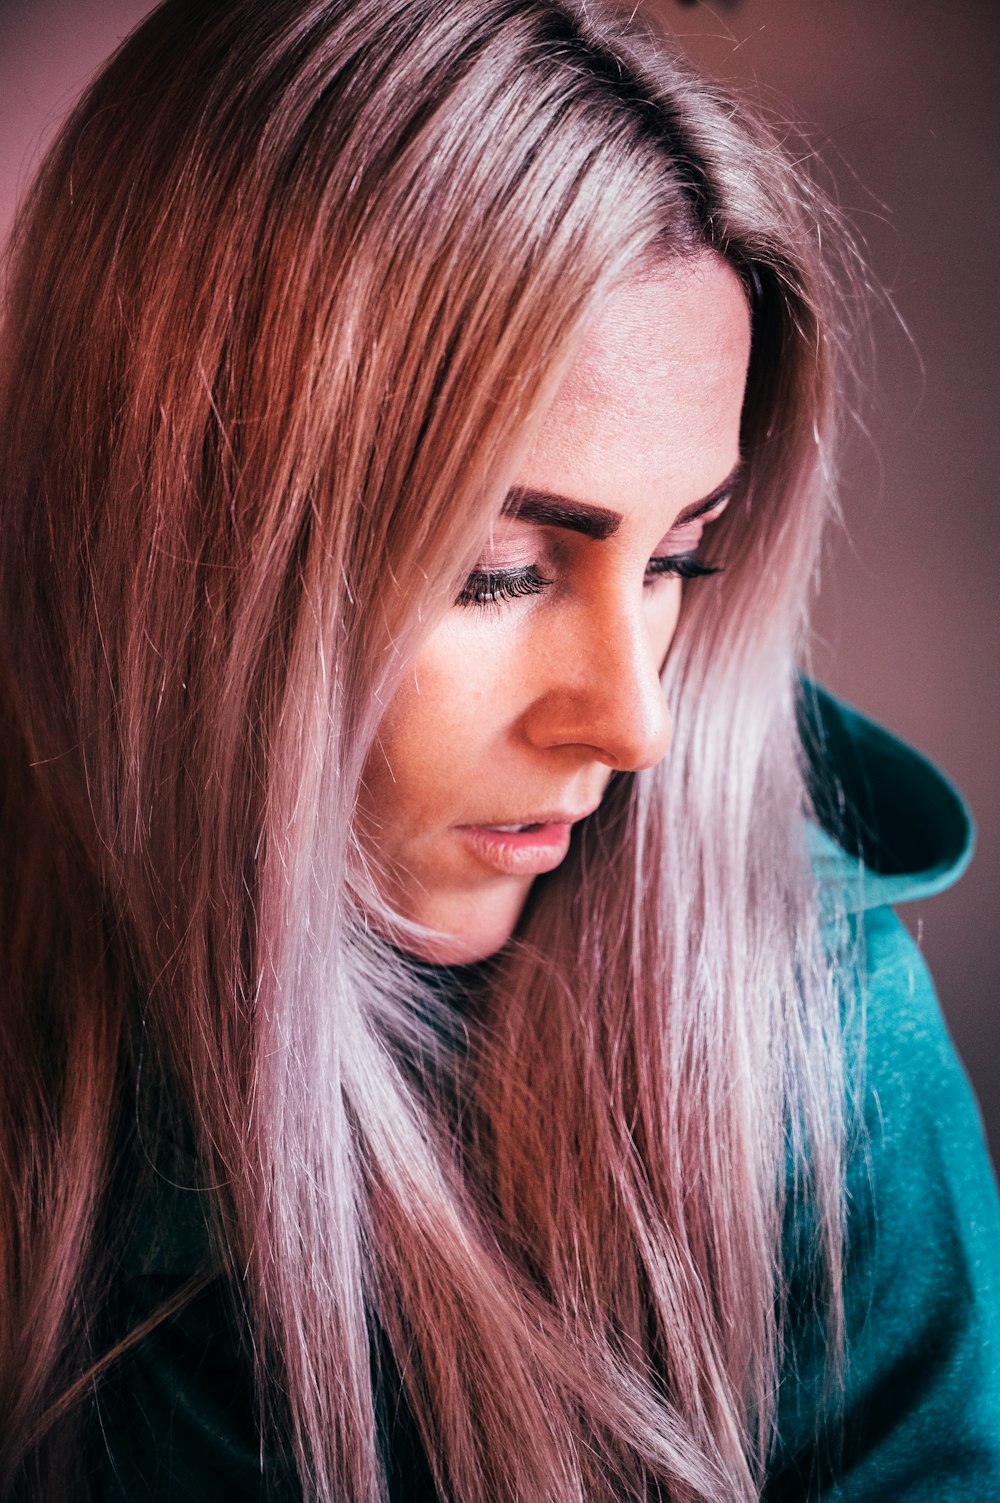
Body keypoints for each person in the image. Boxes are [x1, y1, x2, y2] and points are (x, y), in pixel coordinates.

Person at [0, 1, 997, 1499]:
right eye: (502, 571)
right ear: (173, 541)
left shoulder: (813, 1048)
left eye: (681, 562)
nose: (634, 725)